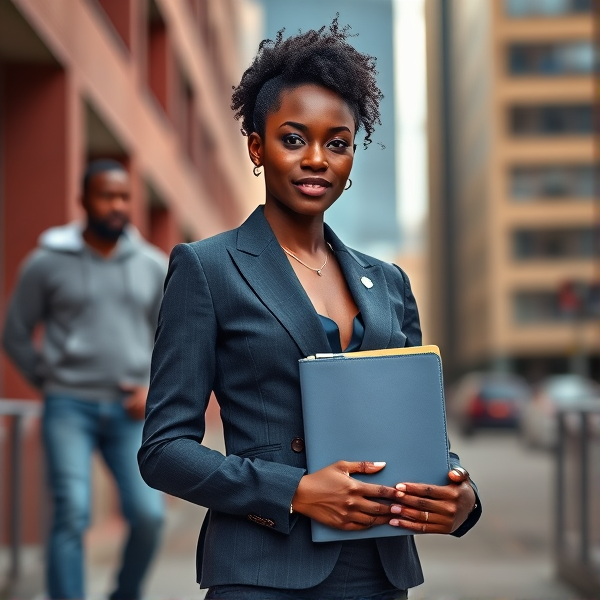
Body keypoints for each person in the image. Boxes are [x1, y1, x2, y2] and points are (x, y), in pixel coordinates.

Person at [138, 19, 481, 600]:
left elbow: (423, 431)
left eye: (337, 142)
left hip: (379, 570)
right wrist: (292, 491)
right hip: (262, 570)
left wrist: (461, 495)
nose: (317, 158)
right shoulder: (208, 268)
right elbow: (164, 451)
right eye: (294, 139)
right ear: (256, 147)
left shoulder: (389, 281)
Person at [2, 160, 166, 600]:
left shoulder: (153, 265)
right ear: (83, 201)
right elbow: (15, 332)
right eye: (105, 196)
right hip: (68, 406)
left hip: (130, 409)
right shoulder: (46, 263)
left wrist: (152, 389)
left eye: (123, 196)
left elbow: (173, 342)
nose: (116, 205)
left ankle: (124, 594)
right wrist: (49, 382)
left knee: (149, 515)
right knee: (71, 514)